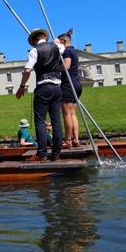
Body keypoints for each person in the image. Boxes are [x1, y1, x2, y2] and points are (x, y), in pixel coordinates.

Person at [16, 28, 65, 161]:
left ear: (34, 41)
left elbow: (27, 70)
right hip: (57, 87)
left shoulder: (35, 51)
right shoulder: (57, 47)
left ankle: (42, 154)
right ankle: (56, 154)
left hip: (43, 87)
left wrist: (21, 87)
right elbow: (62, 46)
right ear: (45, 36)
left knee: (40, 121)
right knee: (56, 122)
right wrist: (57, 42)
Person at [58, 31, 82, 148]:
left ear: (64, 41)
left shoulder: (67, 51)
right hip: (77, 83)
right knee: (73, 113)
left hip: (68, 84)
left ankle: (68, 141)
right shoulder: (74, 51)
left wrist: (57, 68)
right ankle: (76, 140)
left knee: (66, 113)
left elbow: (66, 66)